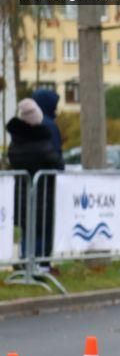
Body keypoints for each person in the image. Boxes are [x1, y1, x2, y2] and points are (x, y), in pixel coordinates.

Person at [4, 98, 63, 264]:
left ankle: (26, 262)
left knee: (27, 230)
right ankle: (40, 263)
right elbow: (58, 164)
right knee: (42, 231)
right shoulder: (42, 144)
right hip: (43, 195)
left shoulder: (15, 143)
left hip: (22, 195)